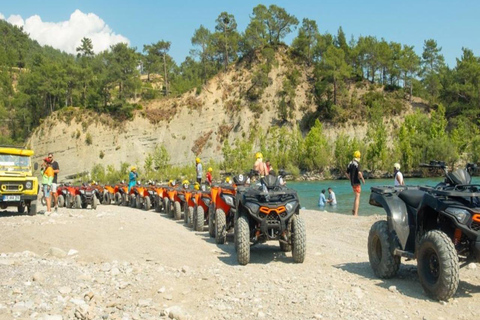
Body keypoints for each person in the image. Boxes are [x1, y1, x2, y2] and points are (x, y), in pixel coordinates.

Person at [346, 150, 365, 216]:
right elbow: (359, 173)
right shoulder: (357, 164)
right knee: (358, 197)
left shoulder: (350, 163)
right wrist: (362, 179)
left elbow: (346, 173)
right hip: (357, 182)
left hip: (352, 183)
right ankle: (356, 213)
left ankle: (353, 211)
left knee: (356, 196)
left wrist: (350, 178)